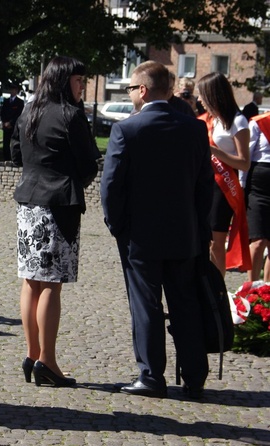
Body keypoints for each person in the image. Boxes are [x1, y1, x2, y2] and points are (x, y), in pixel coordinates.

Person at [101, 61, 213, 399]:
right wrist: (200, 227)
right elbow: (204, 186)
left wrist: (117, 225)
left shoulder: (128, 129)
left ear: (143, 90)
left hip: (140, 235)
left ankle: (151, 376)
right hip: (185, 233)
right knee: (186, 303)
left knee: (145, 304)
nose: (130, 94)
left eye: (131, 88)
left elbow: (111, 187)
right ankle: (194, 376)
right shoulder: (194, 128)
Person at [10, 56, 100, 388]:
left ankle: (32, 354)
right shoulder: (71, 115)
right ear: (64, 80)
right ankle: (47, 360)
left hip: (28, 204)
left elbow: (16, 154)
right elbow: (90, 162)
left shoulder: (29, 111)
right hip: (59, 205)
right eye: (79, 81)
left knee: (31, 281)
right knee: (50, 284)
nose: (83, 86)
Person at [197, 72, 251, 277]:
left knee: (217, 241)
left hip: (224, 187)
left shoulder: (238, 122)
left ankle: (217, 286)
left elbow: (244, 163)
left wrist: (214, 150)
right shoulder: (211, 120)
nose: (200, 99)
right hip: (207, 182)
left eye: (202, 94)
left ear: (212, 94)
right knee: (206, 239)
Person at [243, 112, 270, 281]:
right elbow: (246, 157)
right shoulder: (259, 123)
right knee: (258, 241)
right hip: (259, 188)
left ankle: (267, 293)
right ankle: (251, 291)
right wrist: (241, 185)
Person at [0, 84, 24, 161]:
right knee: (6, 143)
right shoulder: (6, 101)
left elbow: (19, 114)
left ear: (16, 91)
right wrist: (4, 122)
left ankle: (14, 157)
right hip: (6, 125)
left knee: (14, 142)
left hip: (14, 126)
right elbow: (2, 112)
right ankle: (6, 157)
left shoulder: (20, 102)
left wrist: (10, 123)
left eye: (13, 90)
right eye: (11, 90)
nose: (12, 91)